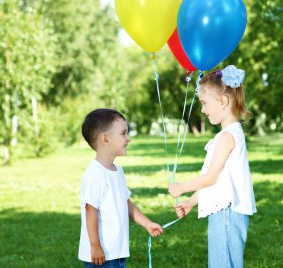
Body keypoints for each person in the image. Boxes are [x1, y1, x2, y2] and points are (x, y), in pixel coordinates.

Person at [168, 65, 257, 268]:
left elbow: (211, 178)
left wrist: (182, 187)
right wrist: (191, 202)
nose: (202, 109)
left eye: (205, 103)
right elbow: (218, 182)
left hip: (226, 213)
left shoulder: (227, 137)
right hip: (226, 211)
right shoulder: (230, 134)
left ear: (223, 101)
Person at [78, 108, 163, 267]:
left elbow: (126, 203)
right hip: (101, 254)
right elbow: (90, 210)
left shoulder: (118, 171)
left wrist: (147, 223)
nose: (128, 138)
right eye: (123, 133)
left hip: (116, 252)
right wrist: (95, 246)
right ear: (105, 139)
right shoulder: (95, 173)